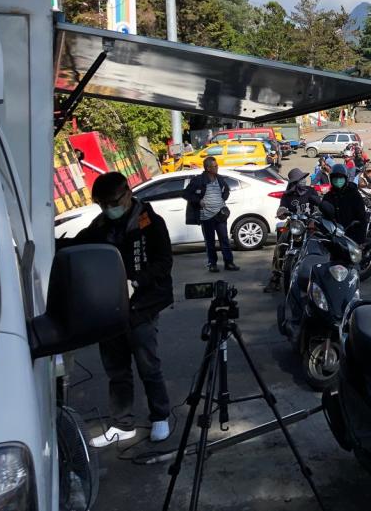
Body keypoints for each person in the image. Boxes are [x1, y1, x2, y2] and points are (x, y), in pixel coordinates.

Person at [60, 172, 173, 447]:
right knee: (116, 369)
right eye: (101, 203)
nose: (108, 208)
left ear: (127, 193)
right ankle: (122, 424)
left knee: (148, 365)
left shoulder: (150, 223)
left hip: (142, 306)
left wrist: (136, 281)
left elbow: (164, 262)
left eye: (112, 202)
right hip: (109, 307)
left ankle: (160, 416)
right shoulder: (100, 225)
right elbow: (77, 245)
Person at [265, 168, 323, 293]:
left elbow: (319, 206)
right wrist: (281, 212)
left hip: (310, 224)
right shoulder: (287, 195)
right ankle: (275, 277)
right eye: (299, 180)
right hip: (294, 224)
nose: (303, 181)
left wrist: (315, 218)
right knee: (280, 245)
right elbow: (282, 208)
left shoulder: (311, 191)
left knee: (320, 245)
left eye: (303, 178)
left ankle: (321, 277)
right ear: (293, 182)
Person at [184, 157, 239, 272]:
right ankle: (212, 264)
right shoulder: (199, 180)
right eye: (214, 166)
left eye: (217, 165)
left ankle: (229, 263)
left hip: (220, 214)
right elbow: (186, 193)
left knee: (224, 240)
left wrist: (223, 199)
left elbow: (226, 190)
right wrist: (198, 201)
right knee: (210, 242)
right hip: (206, 216)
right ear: (208, 168)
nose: (217, 167)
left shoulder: (219, 178)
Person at [324, 163, 367, 244]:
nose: (337, 180)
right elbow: (323, 216)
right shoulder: (328, 196)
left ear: (345, 178)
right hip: (332, 238)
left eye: (340, 177)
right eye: (335, 177)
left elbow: (362, 218)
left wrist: (361, 241)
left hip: (351, 238)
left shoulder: (354, 195)